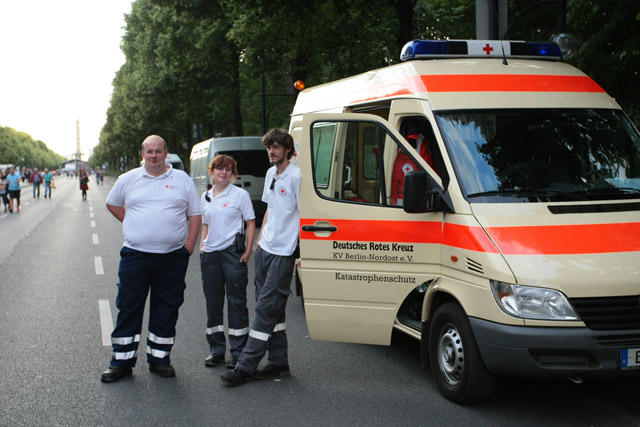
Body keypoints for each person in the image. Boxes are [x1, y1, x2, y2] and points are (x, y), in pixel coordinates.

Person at [101, 135, 202, 383]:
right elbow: (112, 204)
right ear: (142, 154)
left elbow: (196, 213)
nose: (154, 156)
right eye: (149, 152)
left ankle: (160, 359)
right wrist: (133, 223)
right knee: (128, 307)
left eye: (158, 151)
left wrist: (189, 245)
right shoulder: (128, 179)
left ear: (166, 153)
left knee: (166, 308)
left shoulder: (182, 179)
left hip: (171, 258)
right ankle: (121, 363)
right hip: (135, 256)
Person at [220, 128, 300, 387]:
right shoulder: (270, 174)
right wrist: (259, 241)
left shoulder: (296, 176)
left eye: (276, 147)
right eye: (269, 147)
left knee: (265, 309)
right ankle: (278, 363)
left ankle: (245, 366)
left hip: (284, 252)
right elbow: (269, 209)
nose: (271, 151)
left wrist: (299, 252)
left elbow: (304, 214)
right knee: (273, 313)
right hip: (266, 249)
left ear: (287, 149)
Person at [200, 155, 256, 369]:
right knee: (213, 303)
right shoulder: (205, 196)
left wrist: (249, 249)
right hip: (210, 256)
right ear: (212, 171)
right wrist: (202, 245)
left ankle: (238, 351)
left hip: (233, 253)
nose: (223, 172)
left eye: (228, 169)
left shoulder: (240, 195)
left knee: (236, 302)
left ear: (233, 173)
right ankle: (216, 350)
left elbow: (250, 223)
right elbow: (206, 223)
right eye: (219, 169)